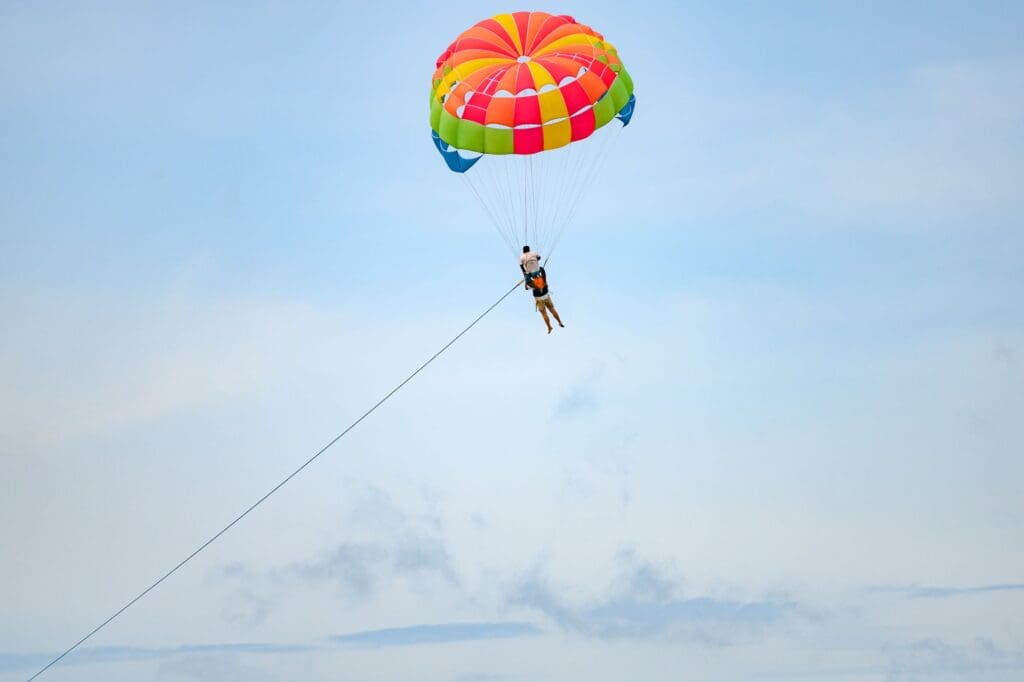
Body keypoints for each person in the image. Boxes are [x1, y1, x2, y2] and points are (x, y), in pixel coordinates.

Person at [525, 265, 564, 334]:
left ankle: (549, 327)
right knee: (552, 310)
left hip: (539, 299)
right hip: (546, 296)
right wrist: (538, 268)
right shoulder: (543, 279)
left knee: (544, 314)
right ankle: (559, 321)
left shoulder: (532, 283)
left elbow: (526, 287)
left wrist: (527, 277)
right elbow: (543, 270)